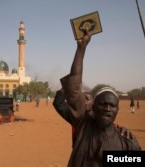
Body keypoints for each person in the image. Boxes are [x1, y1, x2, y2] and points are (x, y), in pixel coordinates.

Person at [59, 30, 141, 166]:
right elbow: (74, 88)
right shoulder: (83, 124)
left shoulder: (127, 141)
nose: (107, 109)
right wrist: (81, 48)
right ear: (94, 106)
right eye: (102, 104)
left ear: (117, 110)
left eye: (112, 105)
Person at [53, 88, 135, 148]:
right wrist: (65, 88)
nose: (84, 102)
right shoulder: (77, 119)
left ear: (94, 103)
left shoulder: (106, 120)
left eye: (87, 99)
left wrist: (121, 130)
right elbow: (59, 104)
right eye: (82, 99)